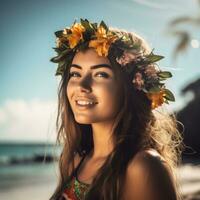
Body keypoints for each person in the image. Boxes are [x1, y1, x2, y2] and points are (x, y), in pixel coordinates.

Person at [50, 18, 183, 200]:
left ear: (132, 86)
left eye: (101, 74)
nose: (82, 85)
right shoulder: (74, 162)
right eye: (75, 73)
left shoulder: (143, 168)